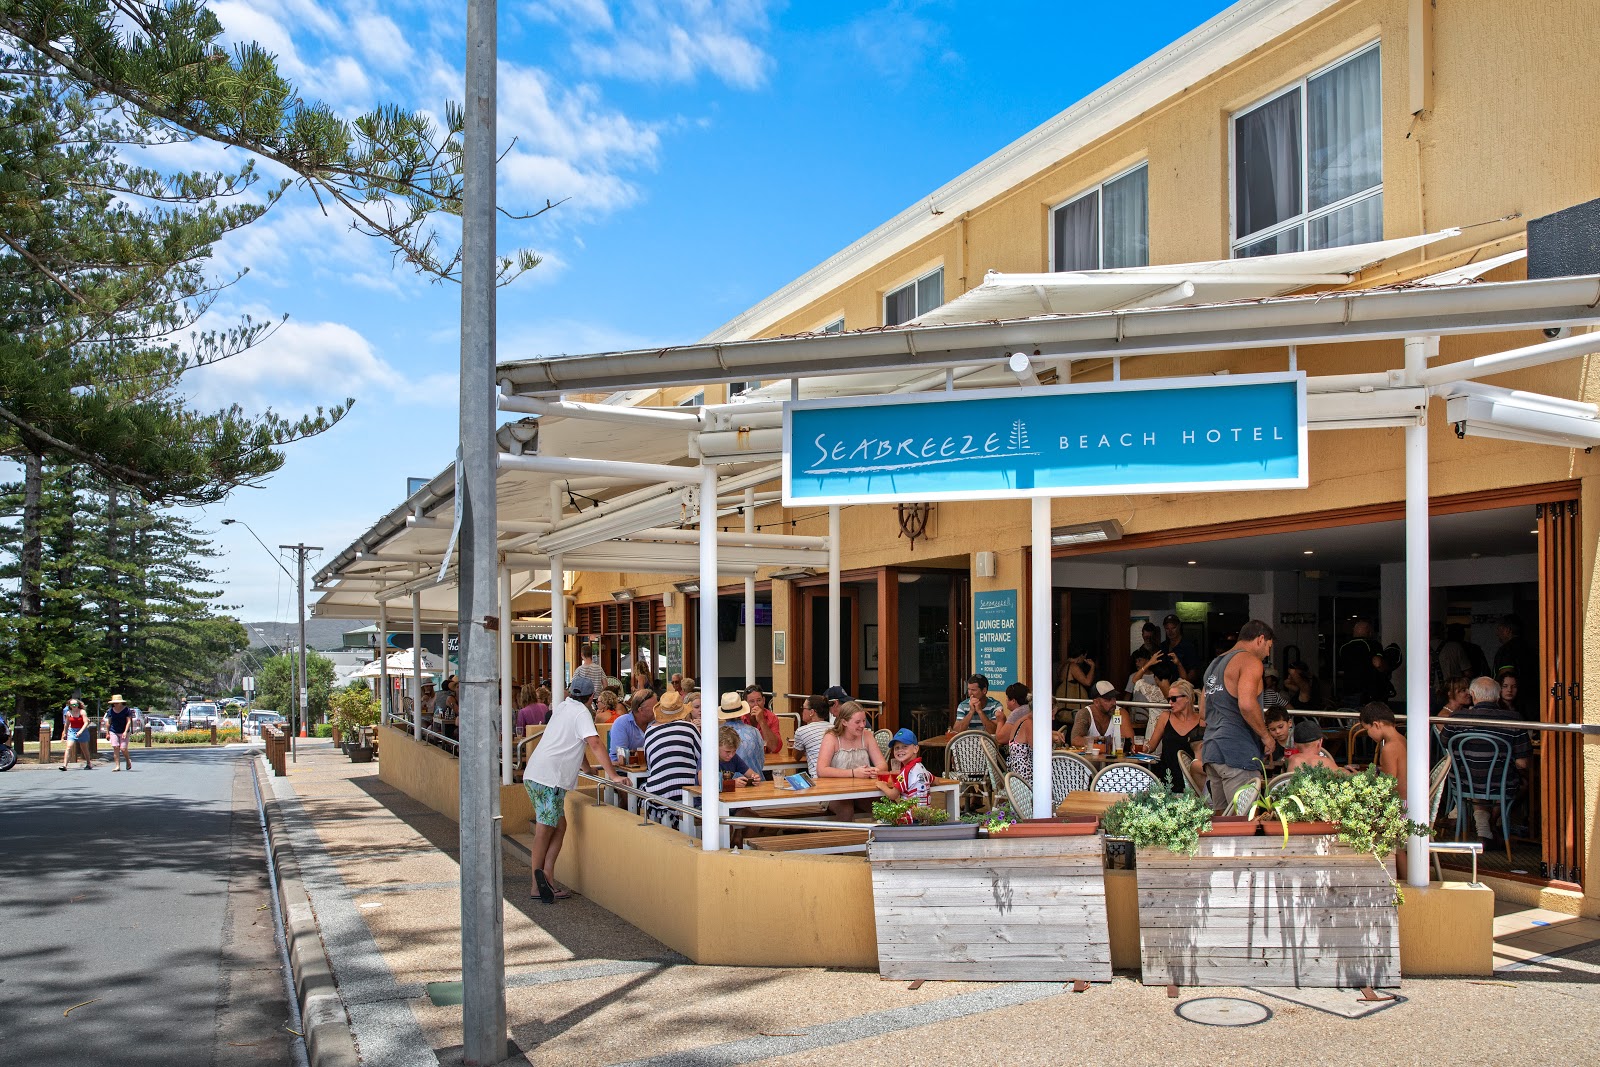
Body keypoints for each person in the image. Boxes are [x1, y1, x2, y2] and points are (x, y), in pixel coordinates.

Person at [520, 674, 625, 903]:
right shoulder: (581, 712)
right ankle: (538, 885)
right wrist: (614, 775)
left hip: (536, 773)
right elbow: (594, 742)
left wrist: (586, 768)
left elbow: (574, 742)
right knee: (545, 829)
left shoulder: (563, 707)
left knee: (558, 825)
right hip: (550, 778)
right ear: (591, 697)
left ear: (571, 691)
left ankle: (547, 876)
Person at [1441, 676, 1533, 844]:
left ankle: (1485, 829)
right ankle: (1490, 826)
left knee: (1478, 774)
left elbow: (1445, 743)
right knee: (1519, 780)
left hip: (1464, 782)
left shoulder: (1457, 718)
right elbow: (1522, 763)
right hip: (1501, 783)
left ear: (1473, 694)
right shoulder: (1514, 719)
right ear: (1498, 696)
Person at [1198, 620, 1276, 812]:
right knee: (1244, 820)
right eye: (1269, 647)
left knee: (1222, 819)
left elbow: (1203, 711)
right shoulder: (1250, 661)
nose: (1268, 654)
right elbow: (1247, 704)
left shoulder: (1214, 665)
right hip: (1237, 751)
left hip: (1212, 751)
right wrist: (1266, 736)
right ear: (1260, 639)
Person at [1356, 701, 1411, 878]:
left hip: (1400, 806)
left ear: (1376, 724)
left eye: (1367, 729)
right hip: (1409, 803)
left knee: (1397, 848)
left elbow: (1387, 785)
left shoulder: (1389, 747)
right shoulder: (1402, 739)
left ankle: (1403, 883)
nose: (1368, 734)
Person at [817, 701, 887, 820]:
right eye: (857, 722)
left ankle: (884, 831)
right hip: (835, 791)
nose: (862, 725)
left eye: (864, 721)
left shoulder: (867, 736)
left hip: (862, 790)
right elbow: (821, 770)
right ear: (844, 722)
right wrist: (854, 773)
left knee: (887, 807)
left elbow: (883, 765)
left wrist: (875, 770)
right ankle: (841, 833)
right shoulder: (831, 737)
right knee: (846, 811)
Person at [642, 695, 701, 829]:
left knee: (644, 788)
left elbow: (649, 767)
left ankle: (660, 830)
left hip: (659, 794)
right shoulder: (690, 728)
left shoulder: (649, 732)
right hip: (688, 791)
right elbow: (702, 758)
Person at [994, 681, 1059, 784]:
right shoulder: (1028, 723)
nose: (1053, 718)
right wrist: (1051, 738)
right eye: (1051, 714)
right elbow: (1039, 751)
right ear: (1042, 710)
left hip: (1019, 776)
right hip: (1025, 781)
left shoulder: (1023, 720)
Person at [1146, 680, 1204, 793]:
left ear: (1187, 698)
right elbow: (1151, 745)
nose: (1170, 703)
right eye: (1169, 699)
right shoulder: (1165, 717)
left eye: (1173, 699)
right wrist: (1144, 748)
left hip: (1191, 778)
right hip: (1166, 775)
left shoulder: (1201, 720)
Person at [1336, 619, 1389, 706]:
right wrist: (1385, 668)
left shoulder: (1343, 647)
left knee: (1348, 713)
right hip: (1366, 693)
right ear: (1369, 632)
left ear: (1354, 631)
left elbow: (1340, 668)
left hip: (1347, 690)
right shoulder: (1373, 644)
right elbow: (1378, 663)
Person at [1493, 615, 1537, 717]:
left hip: (1514, 704)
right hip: (1534, 701)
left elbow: (1506, 675)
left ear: (1507, 630)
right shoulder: (1531, 648)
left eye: (1499, 629)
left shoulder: (1507, 650)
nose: (1497, 633)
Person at [877, 728, 933, 805]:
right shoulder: (922, 768)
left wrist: (882, 786)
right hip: (925, 811)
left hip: (910, 812)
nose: (900, 750)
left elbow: (893, 795)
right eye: (897, 748)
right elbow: (935, 780)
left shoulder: (905, 772)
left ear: (916, 749)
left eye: (905, 746)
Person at [1070, 680, 1132, 750]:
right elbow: (1075, 740)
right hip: (1090, 757)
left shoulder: (1121, 713)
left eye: (1114, 698)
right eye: (1108, 699)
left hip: (1115, 757)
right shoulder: (1085, 713)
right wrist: (1105, 741)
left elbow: (1129, 742)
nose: (1114, 703)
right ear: (1096, 702)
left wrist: (1098, 741)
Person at [716, 692, 767, 776]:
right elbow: (761, 761)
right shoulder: (754, 732)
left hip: (727, 781)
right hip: (754, 779)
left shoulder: (716, 734)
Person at [790, 694, 832, 777]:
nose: (802, 711)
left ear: (812, 712)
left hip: (817, 778)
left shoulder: (802, 731)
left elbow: (796, 757)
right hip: (835, 776)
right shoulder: (834, 728)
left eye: (803, 708)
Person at [608, 689, 656, 759]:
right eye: (654, 708)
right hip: (626, 766)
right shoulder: (622, 723)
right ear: (641, 710)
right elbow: (620, 757)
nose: (657, 710)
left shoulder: (657, 722)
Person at [1159, 613, 1201, 683]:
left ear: (1179, 627)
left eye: (1173, 628)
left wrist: (1185, 683)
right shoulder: (1162, 646)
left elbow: (1193, 672)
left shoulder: (1188, 646)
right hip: (1166, 686)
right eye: (1167, 629)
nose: (1170, 632)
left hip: (1184, 686)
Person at [743, 684, 783, 753]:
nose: (756, 704)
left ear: (764, 700)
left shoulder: (772, 717)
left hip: (766, 758)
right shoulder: (740, 718)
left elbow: (775, 748)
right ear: (745, 704)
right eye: (752, 701)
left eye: (759, 700)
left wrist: (762, 721)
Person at [104, 694, 134, 771]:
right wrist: (107, 733)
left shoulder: (127, 710)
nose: (115, 704)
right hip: (113, 730)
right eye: (114, 703)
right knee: (115, 747)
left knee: (123, 748)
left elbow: (128, 721)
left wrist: (125, 732)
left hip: (124, 731)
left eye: (117, 703)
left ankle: (128, 760)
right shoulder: (110, 711)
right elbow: (108, 722)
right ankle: (117, 766)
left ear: (121, 702)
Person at [61, 699, 91, 771]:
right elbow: (67, 724)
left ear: (78, 705)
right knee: (68, 747)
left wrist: (80, 731)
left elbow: (86, 723)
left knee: (84, 748)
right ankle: (65, 765)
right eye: (73, 705)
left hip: (82, 730)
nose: (74, 706)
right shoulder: (68, 713)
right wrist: (65, 733)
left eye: (76, 704)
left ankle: (88, 763)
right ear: (70, 706)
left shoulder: (82, 712)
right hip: (72, 731)